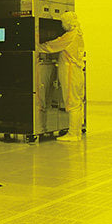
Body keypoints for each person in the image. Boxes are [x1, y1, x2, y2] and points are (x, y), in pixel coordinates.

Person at [39, 11, 85, 142]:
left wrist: (37, 46)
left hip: (70, 72)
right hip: (77, 71)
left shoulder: (70, 35)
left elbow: (54, 45)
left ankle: (73, 134)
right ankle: (76, 132)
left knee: (72, 102)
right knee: (77, 102)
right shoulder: (78, 33)